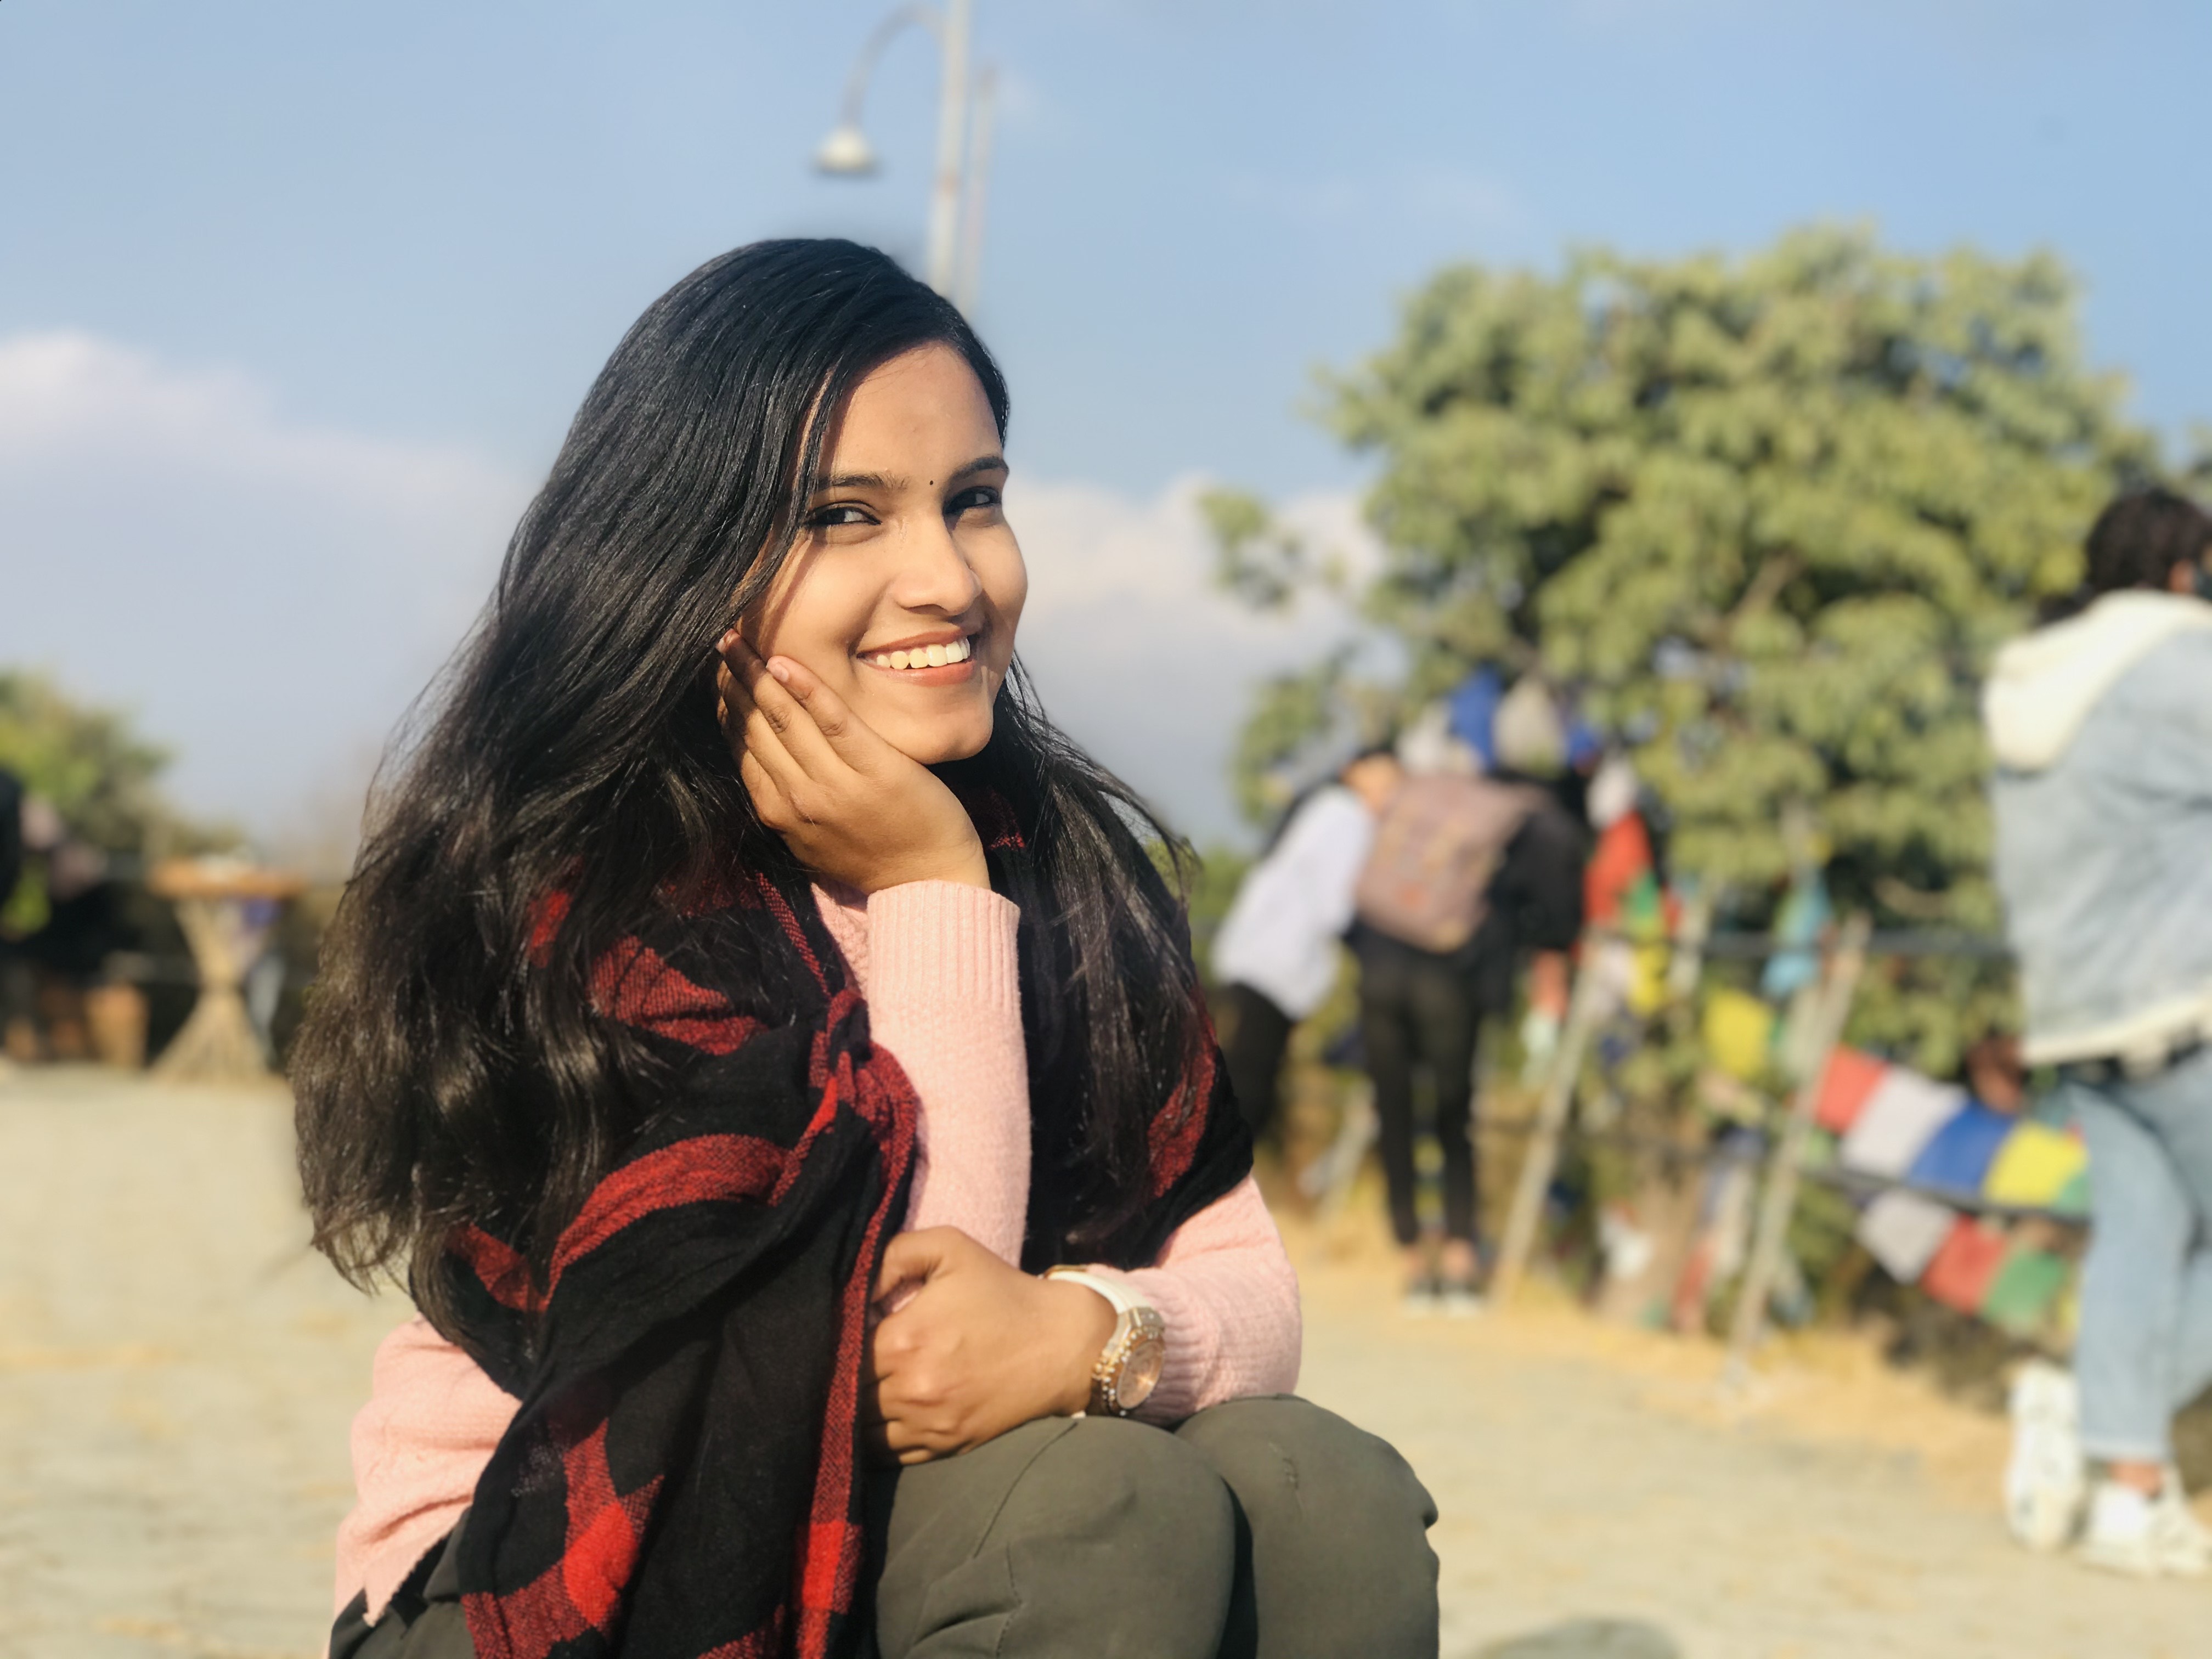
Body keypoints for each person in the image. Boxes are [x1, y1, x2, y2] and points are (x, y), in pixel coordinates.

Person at [291, 240, 1438, 1659]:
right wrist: (929, 887)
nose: (946, 578)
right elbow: (884, 1359)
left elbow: (1252, 1287)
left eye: (975, 501)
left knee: (1324, 1496)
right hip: (552, 1582)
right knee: (1097, 1508)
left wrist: (1087, 1336)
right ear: (685, 560)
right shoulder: (598, 897)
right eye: (846, 516)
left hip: (916, 1532)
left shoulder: (1066, 868)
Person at [1985, 486, 2212, 1577]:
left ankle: (2129, 1496)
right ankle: (2091, 1414)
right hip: (2185, 1005)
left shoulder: (2037, 679)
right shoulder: (2179, 664)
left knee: (2140, 1239)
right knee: (2149, 1241)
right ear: (2179, 570)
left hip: (2076, 1014)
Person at [1349, 709, 1584, 1314]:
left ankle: (1410, 1256)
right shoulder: (1524, 815)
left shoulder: (1438, 795)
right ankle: (1458, 1256)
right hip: (1449, 978)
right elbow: (1556, 910)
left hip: (1380, 964)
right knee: (1454, 1117)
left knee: (1394, 1110)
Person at [1211, 749, 1400, 1139]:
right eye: (1382, 779)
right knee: (1251, 1081)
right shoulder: (1348, 818)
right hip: (1279, 962)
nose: (1388, 791)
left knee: (1242, 1071)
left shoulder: (1324, 809)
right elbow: (1336, 907)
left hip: (1261, 954)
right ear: (1353, 771)